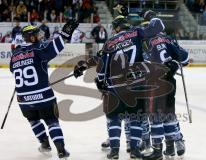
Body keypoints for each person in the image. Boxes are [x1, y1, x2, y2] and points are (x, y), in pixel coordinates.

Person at [74, 11, 165, 159]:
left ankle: (114, 150)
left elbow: (100, 61)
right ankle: (135, 150)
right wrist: (151, 16)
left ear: (116, 28)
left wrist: (87, 69)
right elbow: (159, 26)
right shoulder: (136, 33)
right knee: (136, 117)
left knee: (114, 117)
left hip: (116, 85)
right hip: (137, 83)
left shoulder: (110, 42)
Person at [9, 19, 79, 159]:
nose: (41, 36)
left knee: (33, 121)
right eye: (37, 34)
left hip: (23, 99)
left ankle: (45, 144)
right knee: (52, 121)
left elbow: (12, 69)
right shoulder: (38, 49)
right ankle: (61, 150)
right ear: (32, 37)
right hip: (43, 96)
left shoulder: (15, 54)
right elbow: (57, 46)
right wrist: (65, 34)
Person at [142, 22, 189, 160]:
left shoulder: (147, 41)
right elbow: (185, 59)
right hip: (170, 82)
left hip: (155, 82)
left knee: (155, 116)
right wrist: (174, 63)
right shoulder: (170, 39)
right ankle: (172, 145)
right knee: (168, 113)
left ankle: (157, 150)